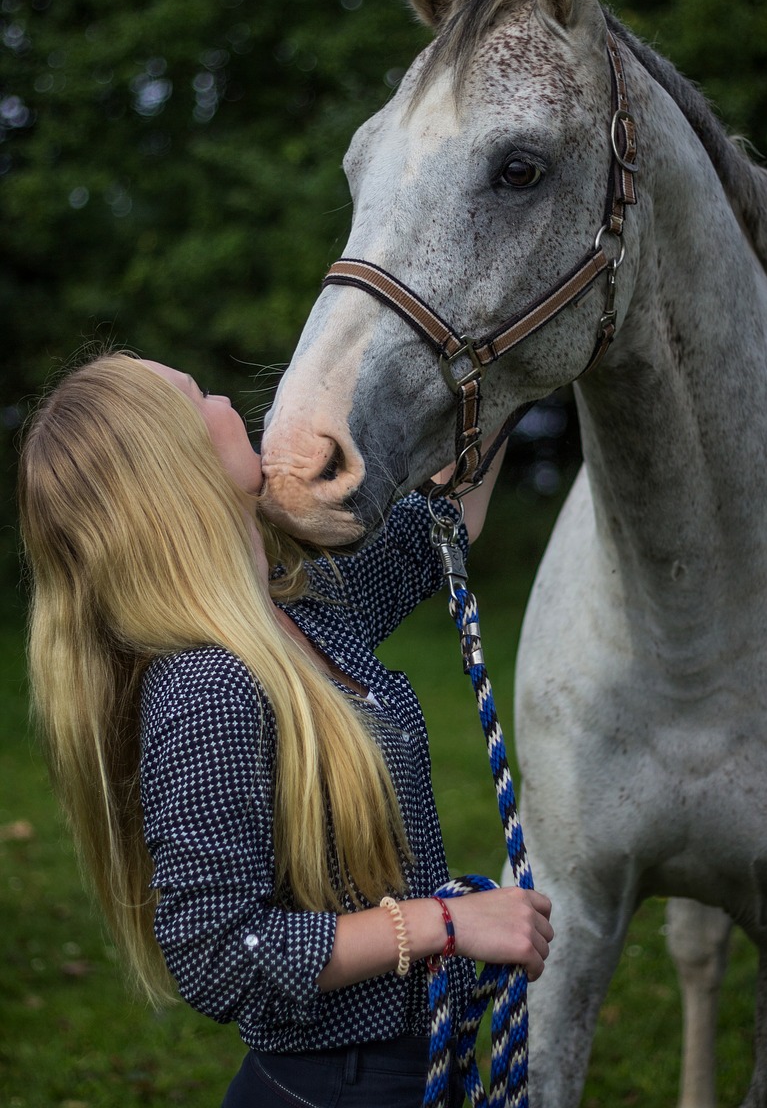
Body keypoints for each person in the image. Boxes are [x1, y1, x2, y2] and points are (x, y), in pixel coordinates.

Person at [18, 351, 552, 1107]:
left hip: (407, 1068)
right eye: (198, 396)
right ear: (176, 465)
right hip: (335, 1088)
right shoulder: (209, 686)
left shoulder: (299, 616)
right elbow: (216, 954)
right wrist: (443, 923)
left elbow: (438, 522)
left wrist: (501, 369)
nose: (224, 400)